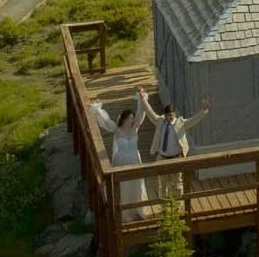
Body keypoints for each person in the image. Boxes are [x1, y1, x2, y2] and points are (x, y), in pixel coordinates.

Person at [88, 86, 153, 216]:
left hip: (134, 158)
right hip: (122, 159)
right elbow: (106, 122)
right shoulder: (117, 130)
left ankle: (138, 209)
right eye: (129, 118)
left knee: (135, 183)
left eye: (132, 118)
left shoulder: (135, 128)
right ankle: (124, 212)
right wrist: (97, 109)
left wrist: (142, 98)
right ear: (123, 119)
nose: (131, 120)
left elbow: (141, 114)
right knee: (123, 185)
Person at [153, 96, 211, 198]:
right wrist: (143, 99)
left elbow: (193, 120)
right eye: (166, 116)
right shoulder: (162, 122)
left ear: (174, 114)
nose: (168, 118)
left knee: (177, 184)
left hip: (176, 157)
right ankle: (164, 208)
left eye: (170, 115)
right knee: (163, 184)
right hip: (162, 158)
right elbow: (150, 113)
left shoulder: (181, 123)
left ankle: (179, 208)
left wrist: (203, 111)